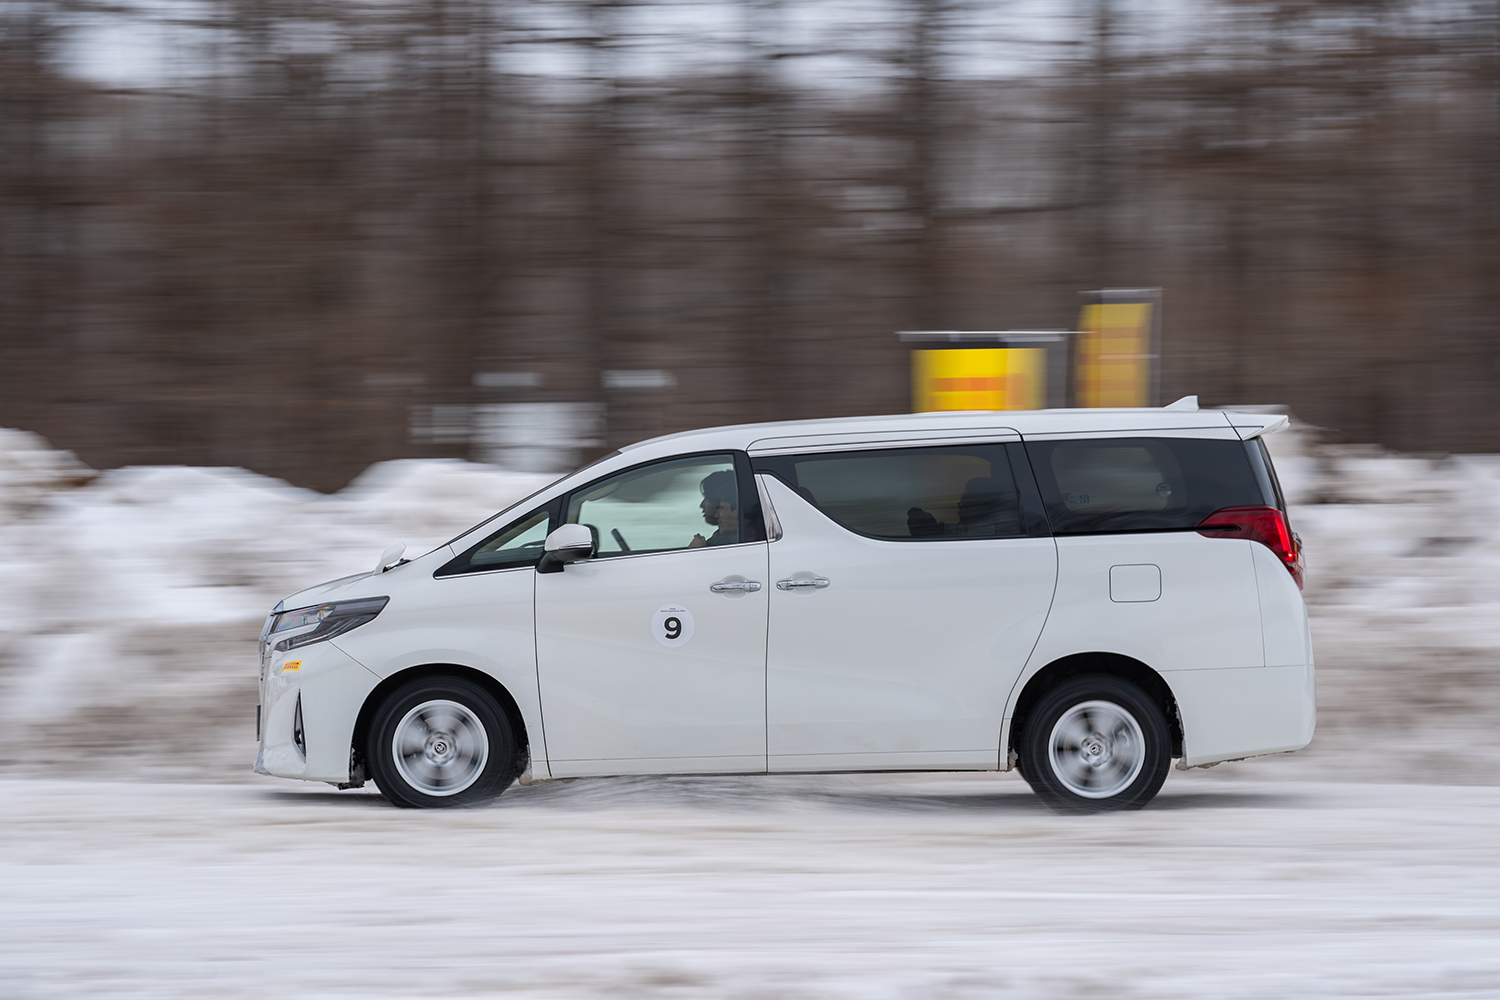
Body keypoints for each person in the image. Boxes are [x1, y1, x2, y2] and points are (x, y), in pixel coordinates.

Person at [689, 469, 739, 547]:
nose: (701, 505)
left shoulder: (734, 541)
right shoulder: (720, 537)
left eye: (707, 498)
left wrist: (697, 551)